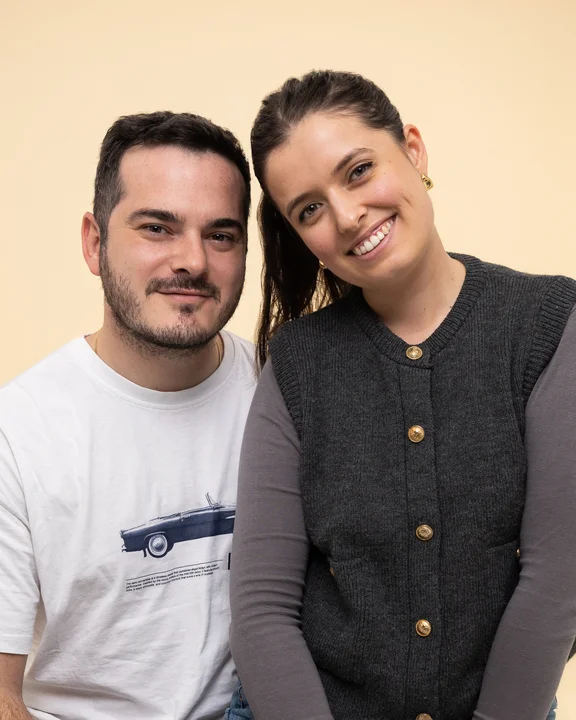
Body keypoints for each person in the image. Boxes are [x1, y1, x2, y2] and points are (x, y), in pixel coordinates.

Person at [228, 70, 576, 720]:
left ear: (413, 150)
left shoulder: (547, 325)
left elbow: (558, 581)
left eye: (358, 171)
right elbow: (261, 611)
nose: (347, 216)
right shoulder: (296, 364)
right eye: (309, 210)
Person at [0, 111, 256, 719]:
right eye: (157, 228)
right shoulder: (19, 431)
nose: (192, 261)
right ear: (95, 243)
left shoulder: (282, 388)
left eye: (221, 235)